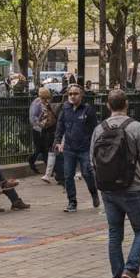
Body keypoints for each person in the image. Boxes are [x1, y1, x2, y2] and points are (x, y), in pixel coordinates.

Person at [91, 90, 140, 278]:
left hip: (108, 188)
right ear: (127, 104)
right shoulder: (135, 127)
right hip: (132, 186)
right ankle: (131, 269)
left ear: (108, 105)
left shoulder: (99, 128)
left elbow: (93, 160)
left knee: (115, 235)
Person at [54, 84, 100, 212]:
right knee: (68, 175)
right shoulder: (65, 108)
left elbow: (94, 129)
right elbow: (60, 126)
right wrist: (58, 141)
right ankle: (72, 201)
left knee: (87, 173)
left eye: (75, 94)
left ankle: (93, 192)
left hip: (85, 148)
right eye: (70, 94)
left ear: (81, 95)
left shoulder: (87, 110)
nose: (73, 96)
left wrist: (94, 145)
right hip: (69, 148)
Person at [28, 90, 46, 174]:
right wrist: (39, 125)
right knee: (40, 149)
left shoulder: (42, 102)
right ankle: (31, 160)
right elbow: (33, 117)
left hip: (42, 129)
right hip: (38, 129)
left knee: (44, 149)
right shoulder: (37, 103)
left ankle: (50, 170)